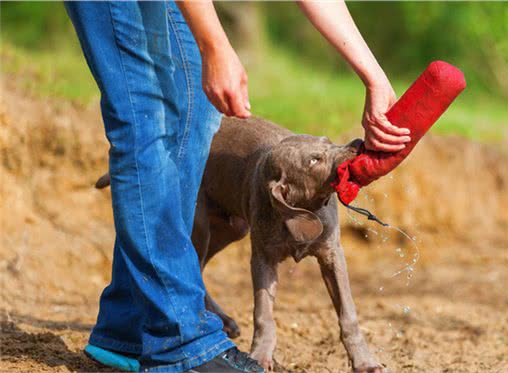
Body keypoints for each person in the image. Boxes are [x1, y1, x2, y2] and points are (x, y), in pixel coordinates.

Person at [65, 1, 410, 372]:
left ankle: (128, 327)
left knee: (197, 116)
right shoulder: (271, 194)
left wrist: (373, 76)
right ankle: (179, 341)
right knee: (146, 120)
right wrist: (216, 46)